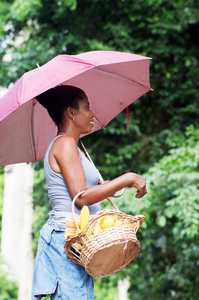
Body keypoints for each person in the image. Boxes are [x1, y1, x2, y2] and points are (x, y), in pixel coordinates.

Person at [32, 85, 147, 300]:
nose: (92, 113)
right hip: (67, 237)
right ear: (71, 113)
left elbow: (86, 191)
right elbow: (81, 197)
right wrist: (128, 177)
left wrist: (113, 184)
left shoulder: (73, 146)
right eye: (87, 107)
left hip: (76, 239)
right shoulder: (65, 144)